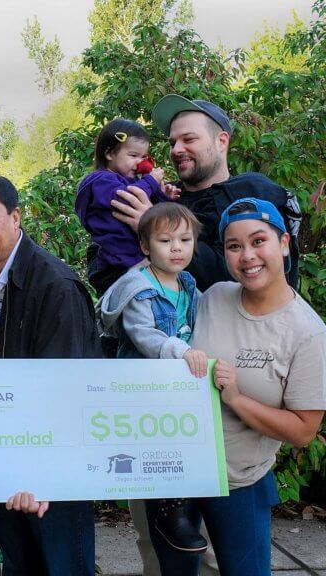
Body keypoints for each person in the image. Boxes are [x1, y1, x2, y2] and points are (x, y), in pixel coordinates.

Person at [145, 197, 326, 575]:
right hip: (176, 475)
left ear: (284, 244)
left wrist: (237, 398)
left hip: (239, 483)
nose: (247, 256)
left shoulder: (308, 333)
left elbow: (304, 431)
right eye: (234, 246)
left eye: (259, 241)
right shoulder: (211, 297)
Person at [0, 171, 102, 576]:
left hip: (51, 471)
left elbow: (67, 392)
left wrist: (44, 475)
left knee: (61, 565)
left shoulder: (56, 287)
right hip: (2, 458)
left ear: (15, 217)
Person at [97, 202, 208, 556]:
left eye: (185, 240)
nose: (177, 248)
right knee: (160, 446)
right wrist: (180, 351)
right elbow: (144, 334)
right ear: (146, 247)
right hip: (144, 383)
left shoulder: (188, 283)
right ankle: (169, 511)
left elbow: (204, 320)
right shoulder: (137, 288)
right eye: (166, 240)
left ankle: (184, 507)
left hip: (179, 383)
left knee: (186, 443)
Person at [110, 95, 301, 292]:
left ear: (221, 141)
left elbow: (240, 278)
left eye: (189, 139)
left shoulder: (252, 195)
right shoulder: (157, 196)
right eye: (172, 143)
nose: (176, 150)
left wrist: (153, 226)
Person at [76, 118, 179, 295]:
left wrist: (164, 196)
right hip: (116, 264)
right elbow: (126, 200)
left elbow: (151, 212)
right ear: (109, 153)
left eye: (144, 157)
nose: (140, 163)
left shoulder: (132, 182)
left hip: (136, 259)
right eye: (133, 155)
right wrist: (151, 181)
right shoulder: (100, 181)